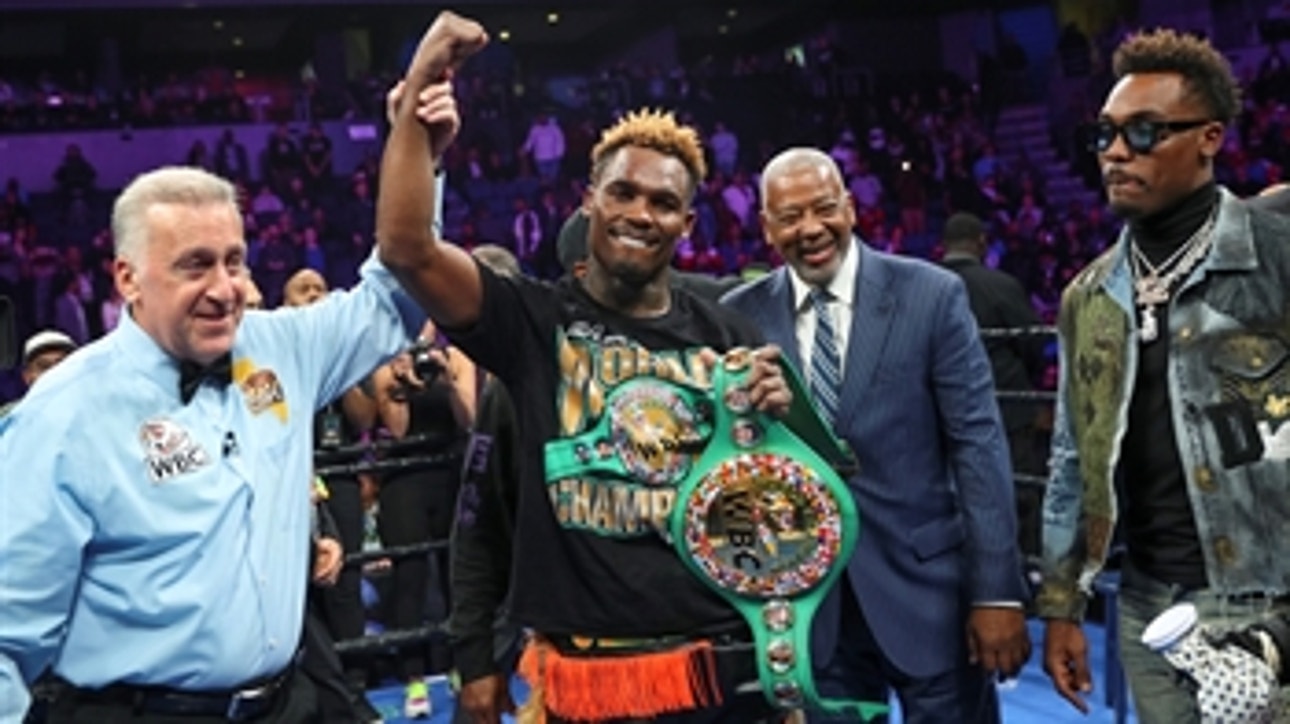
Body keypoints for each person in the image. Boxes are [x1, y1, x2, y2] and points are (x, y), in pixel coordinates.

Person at [0, 12, 483, 722]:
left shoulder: (279, 345)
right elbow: (7, 633)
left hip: (288, 700)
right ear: (127, 280)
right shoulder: (64, 410)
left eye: (234, 260)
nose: (225, 287)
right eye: (195, 265)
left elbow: (394, 297)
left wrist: (417, 151)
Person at [379, 19, 794, 720]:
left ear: (687, 224)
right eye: (623, 193)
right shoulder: (535, 323)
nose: (641, 213)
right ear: (589, 202)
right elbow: (406, 248)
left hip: (724, 666)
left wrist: (785, 424)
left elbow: (784, 509)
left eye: (663, 202)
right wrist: (422, 87)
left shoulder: (728, 334)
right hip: (591, 677)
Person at [721, 147, 1031, 724]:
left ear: (851, 207)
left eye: (823, 208)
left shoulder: (930, 294)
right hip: (811, 610)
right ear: (765, 228)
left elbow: (978, 445)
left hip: (930, 595)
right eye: (789, 217)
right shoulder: (737, 316)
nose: (810, 229)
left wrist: (997, 591)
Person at [1037, 28, 1290, 722]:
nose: (1117, 153)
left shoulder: (1277, 256)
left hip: (1271, 602)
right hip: (1150, 610)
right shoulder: (1088, 296)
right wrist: (1063, 606)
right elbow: (1070, 462)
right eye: (1106, 135)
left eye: (1145, 133)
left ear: (1208, 137)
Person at [369, 319, 476, 719]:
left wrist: (445, 381)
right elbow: (397, 430)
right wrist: (400, 386)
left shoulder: (457, 357)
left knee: (458, 575)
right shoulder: (385, 361)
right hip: (404, 481)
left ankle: (459, 667)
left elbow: (468, 418)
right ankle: (414, 678)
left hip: (449, 475)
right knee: (409, 578)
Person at [938, 211, 1048, 559]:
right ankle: (1024, 571)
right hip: (1007, 409)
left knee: (954, 490)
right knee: (1019, 491)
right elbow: (1034, 344)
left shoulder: (925, 288)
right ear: (981, 242)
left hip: (944, 409)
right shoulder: (1000, 284)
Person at [0, 329, 77, 417]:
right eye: (44, 366)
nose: (54, 372)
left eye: (62, 364)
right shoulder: (8, 418)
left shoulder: (92, 410)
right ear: (27, 377)